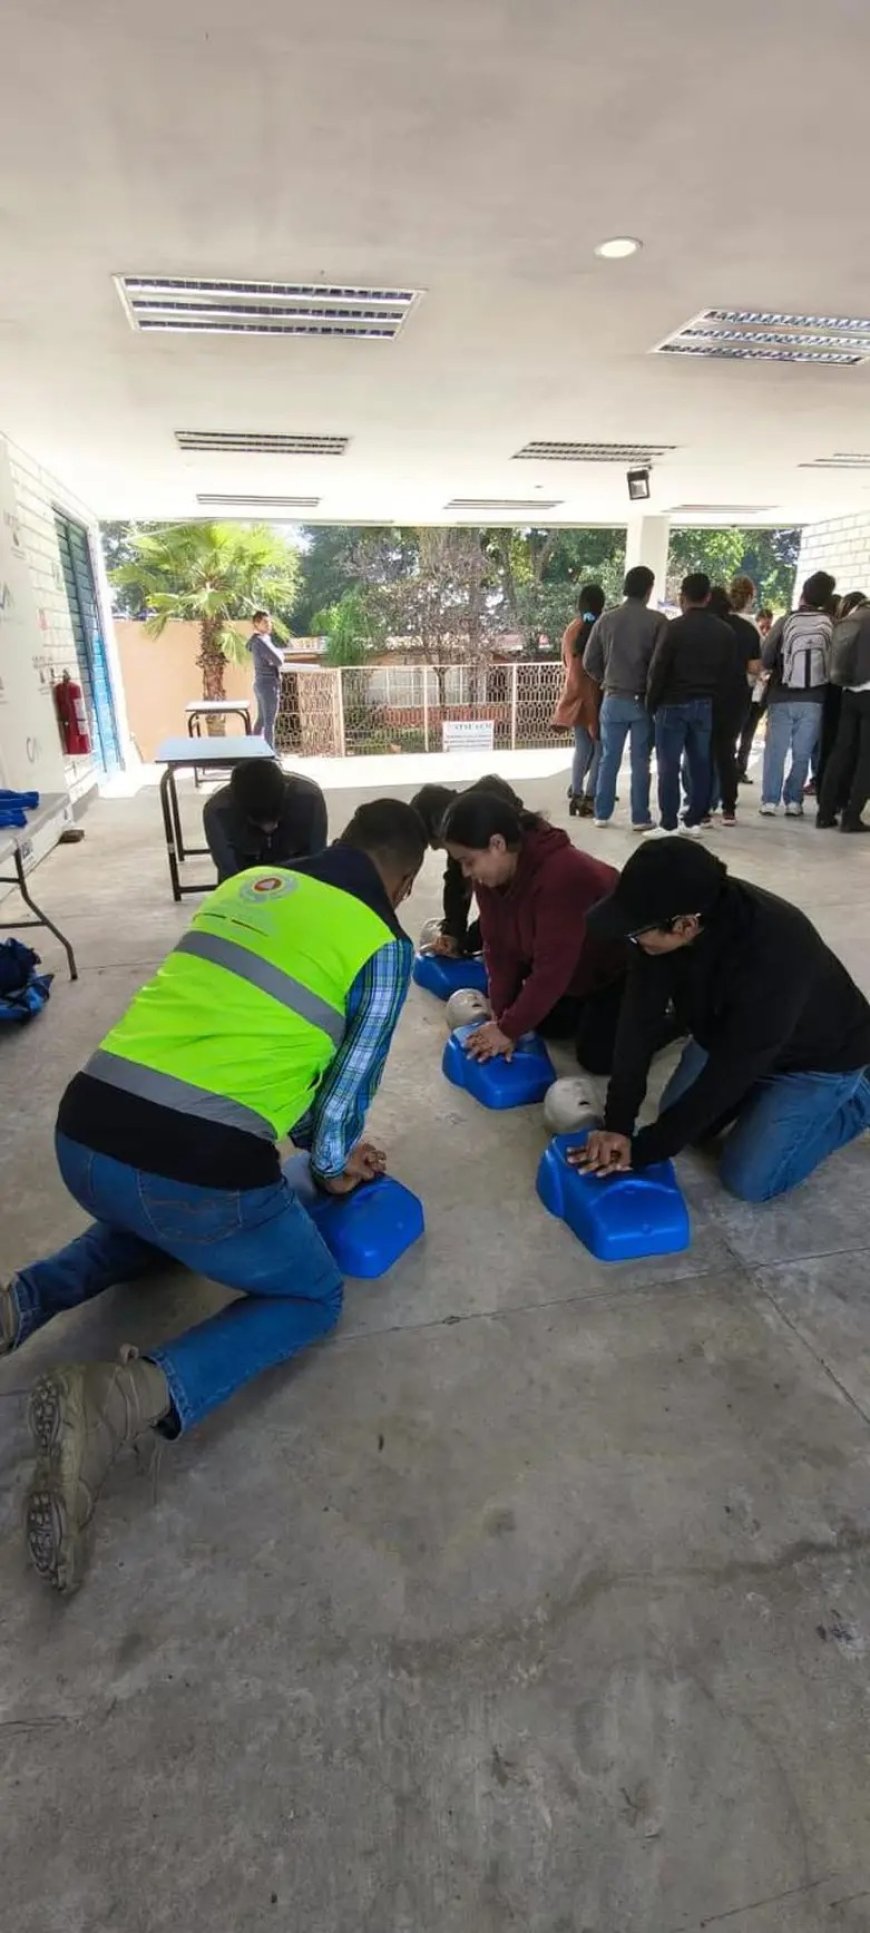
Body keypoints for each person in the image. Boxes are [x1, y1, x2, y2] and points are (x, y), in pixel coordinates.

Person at [2, 799, 426, 1594]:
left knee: (160, 1214)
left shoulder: (253, 883)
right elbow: (340, 1105)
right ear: (403, 882)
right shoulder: (383, 945)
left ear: (339, 843)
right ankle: (121, 1401)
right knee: (312, 1293)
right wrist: (334, 1167)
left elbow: (240, 1030)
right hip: (189, 1173)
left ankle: (21, 1302)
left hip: (82, 1131)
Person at [569, 838, 870, 1202]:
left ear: (684, 926)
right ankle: (767, 1105)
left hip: (817, 1060)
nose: (631, 941)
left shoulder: (775, 950)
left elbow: (733, 1069)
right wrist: (618, 1124)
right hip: (731, 1038)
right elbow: (637, 1024)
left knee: (747, 1180)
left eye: (636, 933)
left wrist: (645, 1150)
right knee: (683, 1124)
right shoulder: (662, 926)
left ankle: (860, 1097)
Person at [440, 792, 625, 1071]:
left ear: (497, 844)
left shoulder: (563, 874)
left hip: (617, 968)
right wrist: (500, 1020)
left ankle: (665, 1015)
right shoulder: (491, 878)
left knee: (598, 1057)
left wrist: (507, 1030)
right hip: (574, 969)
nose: (466, 873)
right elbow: (497, 950)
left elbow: (553, 970)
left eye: (468, 861)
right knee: (544, 1025)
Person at [646, 573, 738, 833]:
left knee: (668, 766)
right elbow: (730, 676)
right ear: (708, 597)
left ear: (682, 597)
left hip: (672, 705)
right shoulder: (724, 632)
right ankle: (695, 820)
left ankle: (668, 823)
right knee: (701, 764)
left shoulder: (672, 629)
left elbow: (658, 669)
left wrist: (652, 704)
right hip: (705, 705)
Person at [583, 565, 668, 831]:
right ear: (649, 589)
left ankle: (602, 813)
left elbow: (588, 661)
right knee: (641, 760)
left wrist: (606, 679)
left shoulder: (606, 620)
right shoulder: (657, 622)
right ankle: (640, 817)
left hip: (612, 698)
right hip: (642, 700)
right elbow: (662, 663)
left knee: (610, 757)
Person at [410, 773, 523, 955]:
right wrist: (454, 935)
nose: (466, 871)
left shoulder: (481, 826)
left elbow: (501, 909)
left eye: (467, 861)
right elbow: (456, 883)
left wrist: (469, 942)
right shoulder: (462, 825)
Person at [759, 571, 836, 816]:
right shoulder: (832, 623)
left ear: (803, 592)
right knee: (802, 752)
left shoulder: (786, 621)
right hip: (815, 698)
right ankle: (794, 801)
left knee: (776, 751)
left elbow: (767, 656)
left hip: (782, 694)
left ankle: (770, 801)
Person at [203, 757, 328, 882]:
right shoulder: (218, 811)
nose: (269, 828)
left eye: (275, 818)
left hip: (298, 874)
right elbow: (230, 873)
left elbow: (315, 861)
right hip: (244, 877)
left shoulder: (310, 800)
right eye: (258, 822)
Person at [706, 584, 762, 823]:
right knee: (727, 750)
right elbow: (754, 668)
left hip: (706, 695)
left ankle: (702, 805)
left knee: (703, 751)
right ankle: (729, 807)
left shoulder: (706, 628)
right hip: (736, 697)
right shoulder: (746, 629)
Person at [552, 583, 607, 817]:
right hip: (599, 694)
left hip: (574, 694)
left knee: (582, 747)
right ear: (602, 604)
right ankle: (591, 796)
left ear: (580, 604)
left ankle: (576, 794)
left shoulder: (571, 629)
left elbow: (566, 662)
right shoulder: (603, 627)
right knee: (600, 749)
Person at [817, 591, 870, 833]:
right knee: (866, 759)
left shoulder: (853, 617)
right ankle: (851, 817)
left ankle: (825, 813)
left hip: (848, 692)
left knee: (839, 752)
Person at [247, 609, 284, 747]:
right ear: (256, 624)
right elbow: (278, 660)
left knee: (262, 719)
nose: (269, 625)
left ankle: (252, 748)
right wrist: (280, 654)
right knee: (269, 721)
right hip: (268, 684)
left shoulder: (260, 641)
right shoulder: (261, 642)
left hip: (261, 683)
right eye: (265, 622)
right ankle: (270, 753)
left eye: (270, 622)